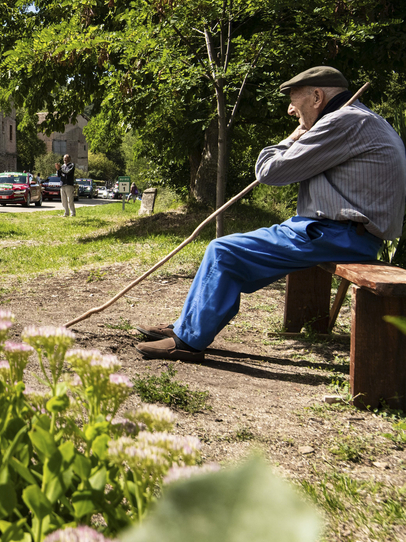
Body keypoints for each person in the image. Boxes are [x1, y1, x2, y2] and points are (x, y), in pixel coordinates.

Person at [135, 66, 406, 360]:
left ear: (317, 96)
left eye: (294, 99)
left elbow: (270, 171)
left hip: (339, 235)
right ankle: (185, 328)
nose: (291, 110)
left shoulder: (342, 122)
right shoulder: (363, 120)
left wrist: (291, 138)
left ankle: (188, 342)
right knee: (227, 251)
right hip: (345, 233)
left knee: (224, 251)